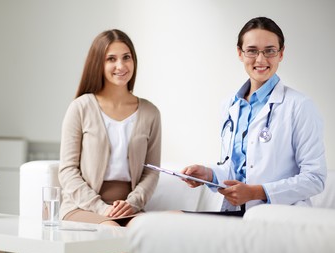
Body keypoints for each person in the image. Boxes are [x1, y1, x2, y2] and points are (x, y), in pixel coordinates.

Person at [181, 17, 326, 216]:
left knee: (175, 223)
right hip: (236, 212)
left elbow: (315, 179)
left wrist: (256, 192)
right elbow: (237, 169)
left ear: (281, 53)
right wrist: (209, 175)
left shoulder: (300, 106)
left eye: (269, 50)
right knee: (169, 222)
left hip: (279, 216)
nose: (260, 59)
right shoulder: (230, 105)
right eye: (252, 50)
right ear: (240, 53)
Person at [58, 29, 161, 227]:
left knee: (144, 233)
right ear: (99, 63)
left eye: (126, 57)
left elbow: (152, 172)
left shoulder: (151, 113)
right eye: (111, 59)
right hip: (82, 206)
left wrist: (132, 203)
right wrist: (101, 208)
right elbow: (67, 170)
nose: (120, 66)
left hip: (130, 208)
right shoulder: (80, 107)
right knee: (111, 230)